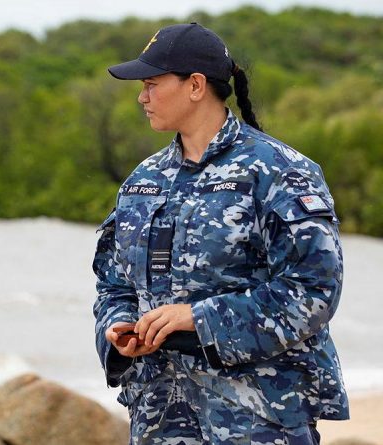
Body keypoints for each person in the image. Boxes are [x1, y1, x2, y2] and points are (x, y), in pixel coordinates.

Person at [93, 23, 348, 444]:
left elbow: (314, 291)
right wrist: (119, 328)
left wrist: (197, 317)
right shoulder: (144, 180)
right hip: (159, 414)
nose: (142, 97)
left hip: (257, 416)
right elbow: (113, 283)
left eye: (152, 84)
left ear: (195, 85)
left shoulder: (279, 172)